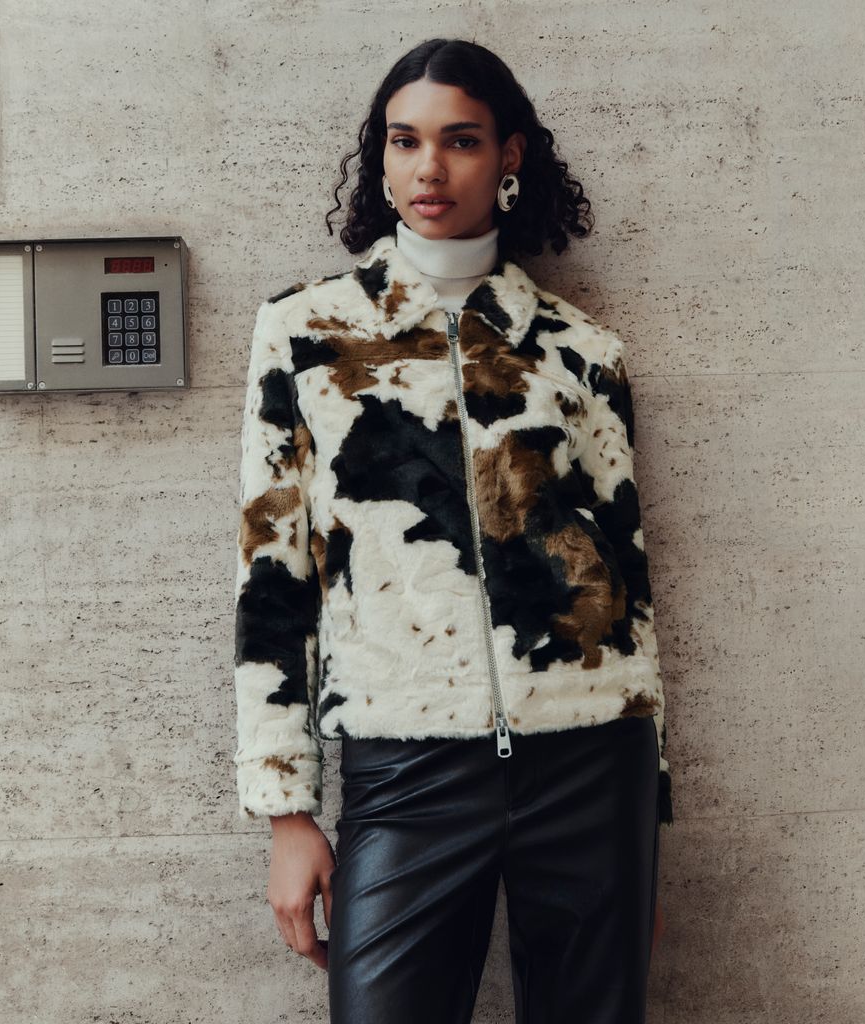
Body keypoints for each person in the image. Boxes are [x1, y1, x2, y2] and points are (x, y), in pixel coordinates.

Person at [234, 37, 674, 1024]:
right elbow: (273, 579)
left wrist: (647, 814)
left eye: (460, 140)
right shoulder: (304, 332)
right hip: (406, 767)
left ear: (508, 157)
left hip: (590, 760)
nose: (428, 169)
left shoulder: (577, 347)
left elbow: (627, 593)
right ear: (380, 157)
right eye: (404, 141)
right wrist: (286, 811)